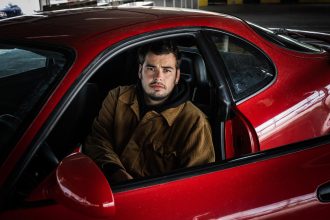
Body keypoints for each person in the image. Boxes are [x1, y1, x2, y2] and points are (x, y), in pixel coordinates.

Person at [84, 40, 215, 185]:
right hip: (107, 185)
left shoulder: (195, 122)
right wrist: (115, 171)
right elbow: (97, 139)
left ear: (177, 76)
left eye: (166, 70)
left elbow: (196, 184)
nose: (158, 77)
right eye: (151, 68)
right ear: (140, 71)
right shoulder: (117, 96)